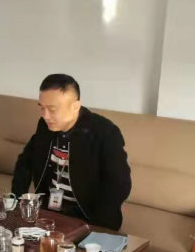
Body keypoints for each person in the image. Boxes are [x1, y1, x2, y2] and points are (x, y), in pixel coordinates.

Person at [11, 74, 131, 230]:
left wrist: (96, 227)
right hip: (49, 212)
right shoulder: (45, 126)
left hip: (88, 217)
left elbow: (119, 184)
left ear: (75, 106)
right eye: (42, 107)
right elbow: (25, 161)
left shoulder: (104, 132)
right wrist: (16, 202)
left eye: (52, 109)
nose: (45, 116)